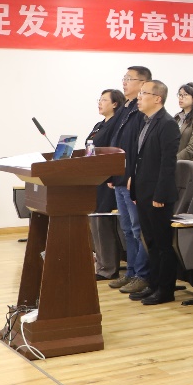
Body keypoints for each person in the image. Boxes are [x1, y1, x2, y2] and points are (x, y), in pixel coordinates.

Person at [127, 80, 181, 305]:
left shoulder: (167, 124)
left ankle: (165, 290)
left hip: (158, 195)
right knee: (150, 241)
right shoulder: (146, 121)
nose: (139, 97)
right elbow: (140, 158)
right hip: (144, 191)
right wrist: (134, 184)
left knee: (162, 244)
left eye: (144, 93)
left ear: (157, 98)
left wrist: (160, 194)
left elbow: (167, 164)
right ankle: (154, 284)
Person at [108, 66, 151, 296]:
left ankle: (142, 275)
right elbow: (117, 143)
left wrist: (133, 175)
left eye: (129, 79)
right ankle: (131, 271)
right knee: (127, 229)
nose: (124, 82)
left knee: (137, 229)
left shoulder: (141, 110)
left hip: (132, 179)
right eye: (124, 78)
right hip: (120, 177)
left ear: (143, 83)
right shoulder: (126, 108)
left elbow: (139, 149)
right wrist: (113, 174)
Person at [88, 88, 126, 280]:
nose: (100, 103)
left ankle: (108, 268)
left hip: (107, 179)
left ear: (115, 104)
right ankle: (101, 264)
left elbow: (112, 152)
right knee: (95, 222)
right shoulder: (99, 124)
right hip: (94, 177)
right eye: (99, 99)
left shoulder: (116, 124)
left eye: (104, 100)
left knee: (103, 222)